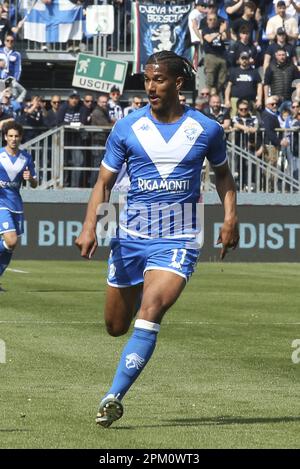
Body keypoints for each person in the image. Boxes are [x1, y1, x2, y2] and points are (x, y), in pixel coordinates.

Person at [75, 50, 239, 428]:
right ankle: (133, 332)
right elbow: (104, 182)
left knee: (151, 312)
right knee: (116, 326)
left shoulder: (207, 129)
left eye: (158, 79)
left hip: (180, 237)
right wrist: (90, 226)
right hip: (130, 237)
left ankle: (113, 397)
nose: (150, 86)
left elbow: (223, 176)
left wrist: (231, 216)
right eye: (147, 79)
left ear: (177, 84)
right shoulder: (127, 128)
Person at [0, 121, 37, 282]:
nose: (13, 139)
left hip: (16, 204)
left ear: (21, 137)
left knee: (11, 245)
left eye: (16, 136)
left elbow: (35, 183)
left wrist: (31, 179)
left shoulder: (26, 157)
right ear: (5, 137)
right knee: (11, 239)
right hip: (1, 203)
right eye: (10, 136)